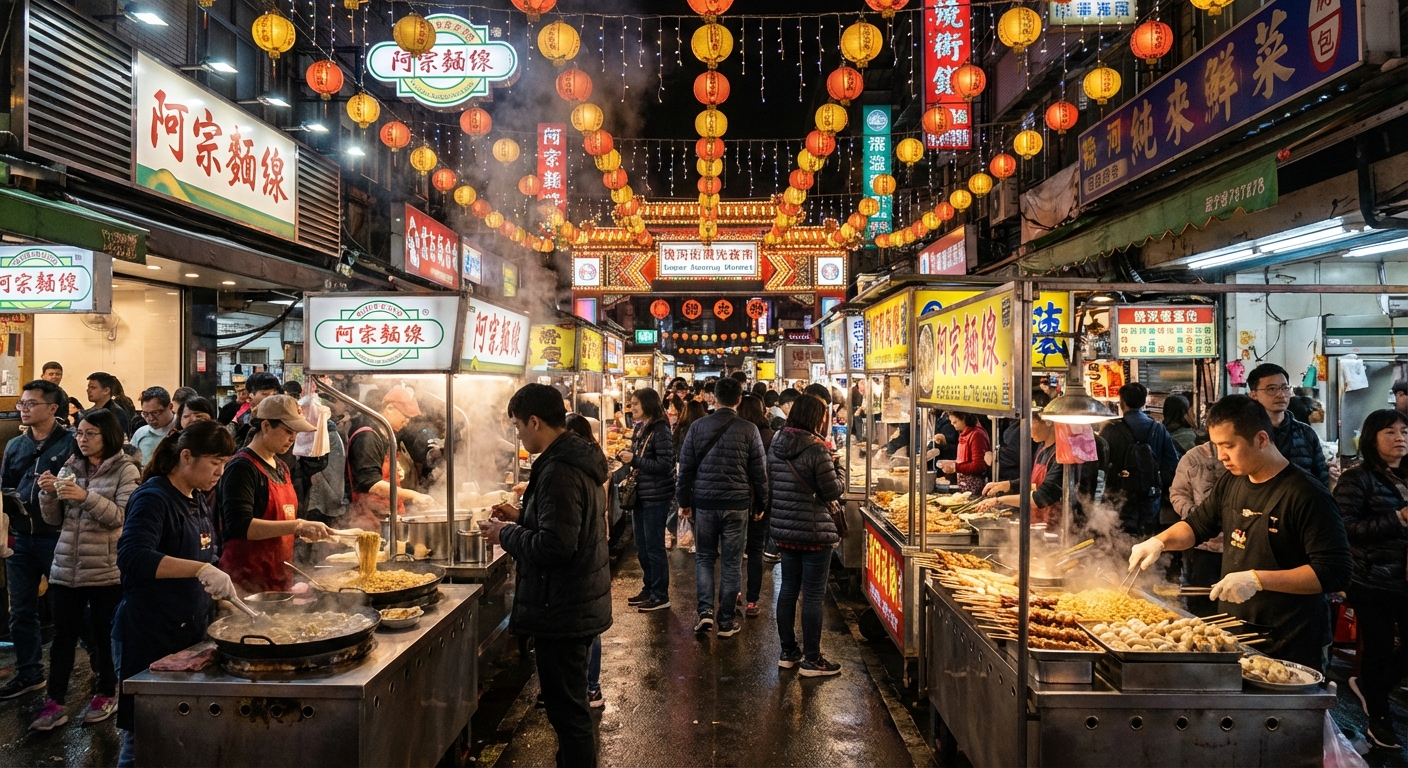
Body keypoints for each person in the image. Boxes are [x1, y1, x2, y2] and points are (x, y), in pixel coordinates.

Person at [1129, 395, 1352, 672]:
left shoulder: (1306, 495)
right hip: (1237, 631)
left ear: (1260, 439)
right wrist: (1159, 542)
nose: (1221, 456)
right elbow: (1197, 525)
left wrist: (1257, 579)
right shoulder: (1233, 481)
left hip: (1291, 638)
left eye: (1229, 446)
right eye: (1217, 446)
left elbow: (1334, 572)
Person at [479, 384, 611, 767]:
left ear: (535, 422)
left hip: (564, 608)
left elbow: (556, 546)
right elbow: (565, 527)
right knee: (569, 709)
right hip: (574, 601)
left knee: (568, 713)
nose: (518, 434)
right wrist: (522, 517)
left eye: (519, 426)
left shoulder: (559, 470)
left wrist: (505, 534)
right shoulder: (573, 458)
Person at [113, 420, 239, 766]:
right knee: (143, 736)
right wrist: (198, 569)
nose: (220, 471)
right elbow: (132, 556)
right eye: (215, 462)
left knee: (179, 736)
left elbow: (207, 554)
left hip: (188, 632)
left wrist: (222, 594)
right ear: (186, 456)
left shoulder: (197, 498)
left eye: (224, 463)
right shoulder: (154, 497)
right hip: (149, 633)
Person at [29, 408, 138, 730]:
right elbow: (53, 519)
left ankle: (107, 692)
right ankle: (55, 701)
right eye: (80, 433)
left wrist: (85, 496)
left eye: (91, 433)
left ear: (109, 434)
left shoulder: (126, 470)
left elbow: (121, 517)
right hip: (66, 566)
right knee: (63, 637)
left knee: (105, 636)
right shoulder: (70, 465)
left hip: (105, 569)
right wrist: (48, 493)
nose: (83, 439)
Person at [1333, 408, 1408, 748]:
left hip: (1405, 577)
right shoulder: (1356, 478)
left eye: (1404, 431)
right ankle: (1380, 721)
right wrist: (1398, 519)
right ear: (1371, 438)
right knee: (1378, 648)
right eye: (1390, 432)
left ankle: (1368, 685)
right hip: (1370, 578)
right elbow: (1344, 527)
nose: (1400, 438)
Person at [0, 379, 78, 699]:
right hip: (20, 538)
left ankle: (101, 674)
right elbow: (4, 486)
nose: (24, 409)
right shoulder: (16, 445)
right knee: (20, 610)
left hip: (57, 538)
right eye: (22, 403)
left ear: (52, 408)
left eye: (31, 404)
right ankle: (29, 673)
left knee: (70, 609)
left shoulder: (72, 444)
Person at [676, 377, 768, 638]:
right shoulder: (749, 430)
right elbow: (760, 474)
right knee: (731, 562)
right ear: (739, 400)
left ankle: (705, 612)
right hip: (737, 505)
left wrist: (684, 502)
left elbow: (685, 470)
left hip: (704, 504)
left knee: (705, 558)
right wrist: (761, 504)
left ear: (713, 398)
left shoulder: (697, 427)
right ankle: (726, 621)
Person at [217, 395, 331, 594]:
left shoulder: (282, 468)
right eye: (288, 431)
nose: (293, 438)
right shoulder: (242, 467)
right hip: (245, 584)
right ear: (267, 426)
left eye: (295, 432)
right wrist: (298, 525)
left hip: (277, 581)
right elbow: (238, 525)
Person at [768, 394, 843, 677]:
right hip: (814, 533)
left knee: (788, 589)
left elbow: (770, 481)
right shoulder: (817, 449)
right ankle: (812, 659)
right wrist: (840, 468)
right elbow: (833, 491)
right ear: (816, 418)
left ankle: (788, 652)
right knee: (812, 596)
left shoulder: (776, 442)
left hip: (785, 530)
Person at [345, 386, 435, 531]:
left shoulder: (385, 435)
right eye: (405, 416)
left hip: (387, 516)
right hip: (370, 522)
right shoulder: (368, 437)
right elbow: (371, 484)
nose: (407, 421)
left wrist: (395, 470)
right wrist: (413, 495)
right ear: (390, 408)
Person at [618, 388, 675, 613]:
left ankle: (660, 595)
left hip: (656, 496)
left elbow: (664, 465)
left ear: (648, 405)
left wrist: (636, 460)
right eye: (631, 404)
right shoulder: (642, 428)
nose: (631, 408)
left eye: (635, 404)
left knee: (654, 547)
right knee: (641, 546)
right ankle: (649, 587)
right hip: (642, 495)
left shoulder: (660, 429)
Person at [1100, 382, 1180, 535]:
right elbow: (1172, 463)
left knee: (1119, 541)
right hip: (1150, 496)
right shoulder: (1159, 429)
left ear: (1122, 402)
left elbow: (1099, 465)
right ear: (1144, 402)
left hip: (1118, 497)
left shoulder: (1110, 429)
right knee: (1147, 539)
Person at [1169, 435, 1228, 617]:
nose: (1225, 456)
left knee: (1231, 600)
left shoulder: (1246, 459)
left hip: (1238, 546)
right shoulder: (1193, 457)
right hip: (1203, 545)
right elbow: (1178, 493)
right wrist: (1195, 515)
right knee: (1202, 602)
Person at [979, 400, 1064, 525]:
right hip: (1036, 521)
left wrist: (999, 500)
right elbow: (1034, 482)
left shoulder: (1059, 455)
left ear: (1047, 422)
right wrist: (1007, 485)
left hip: (1053, 525)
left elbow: (1041, 497)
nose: (1028, 430)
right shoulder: (1042, 448)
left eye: (1032, 424)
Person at [1246, 363, 1330, 486]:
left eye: (1285, 388)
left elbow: (1321, 479)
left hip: (1301, 502)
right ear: (1253, 395)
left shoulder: (1306, 433)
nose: (1281, 394)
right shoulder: (1246, 433)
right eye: (1272, 389)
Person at [737, 394, 775, 618]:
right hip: (761, 501)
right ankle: (752, 600)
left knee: (733, 552)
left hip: (737, 498)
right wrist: (763, 503)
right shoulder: (771, 436)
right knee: (756, 551)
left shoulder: (737, 432)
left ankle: (733, 596)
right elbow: (766, 475)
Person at [939, 412, 990, 494]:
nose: (952, 424)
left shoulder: (977, 435)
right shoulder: (964, 433)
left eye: (955, 422)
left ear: (964, 419)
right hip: (964, 486)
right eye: (951, 422)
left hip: (975, 489)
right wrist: (952, 463)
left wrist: (955, 467)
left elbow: (979, 465)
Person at [131, 387, 177, 465]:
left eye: (155, 413)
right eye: (145, 414)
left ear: (170, 407)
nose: (151, 418)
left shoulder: (182, 428)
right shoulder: (141, 433)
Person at [233, 372, 283, 445]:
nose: (271, 398)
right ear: (250, 395)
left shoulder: (281, 415)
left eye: (274, 394)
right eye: (265, 394)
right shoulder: (241, 417)